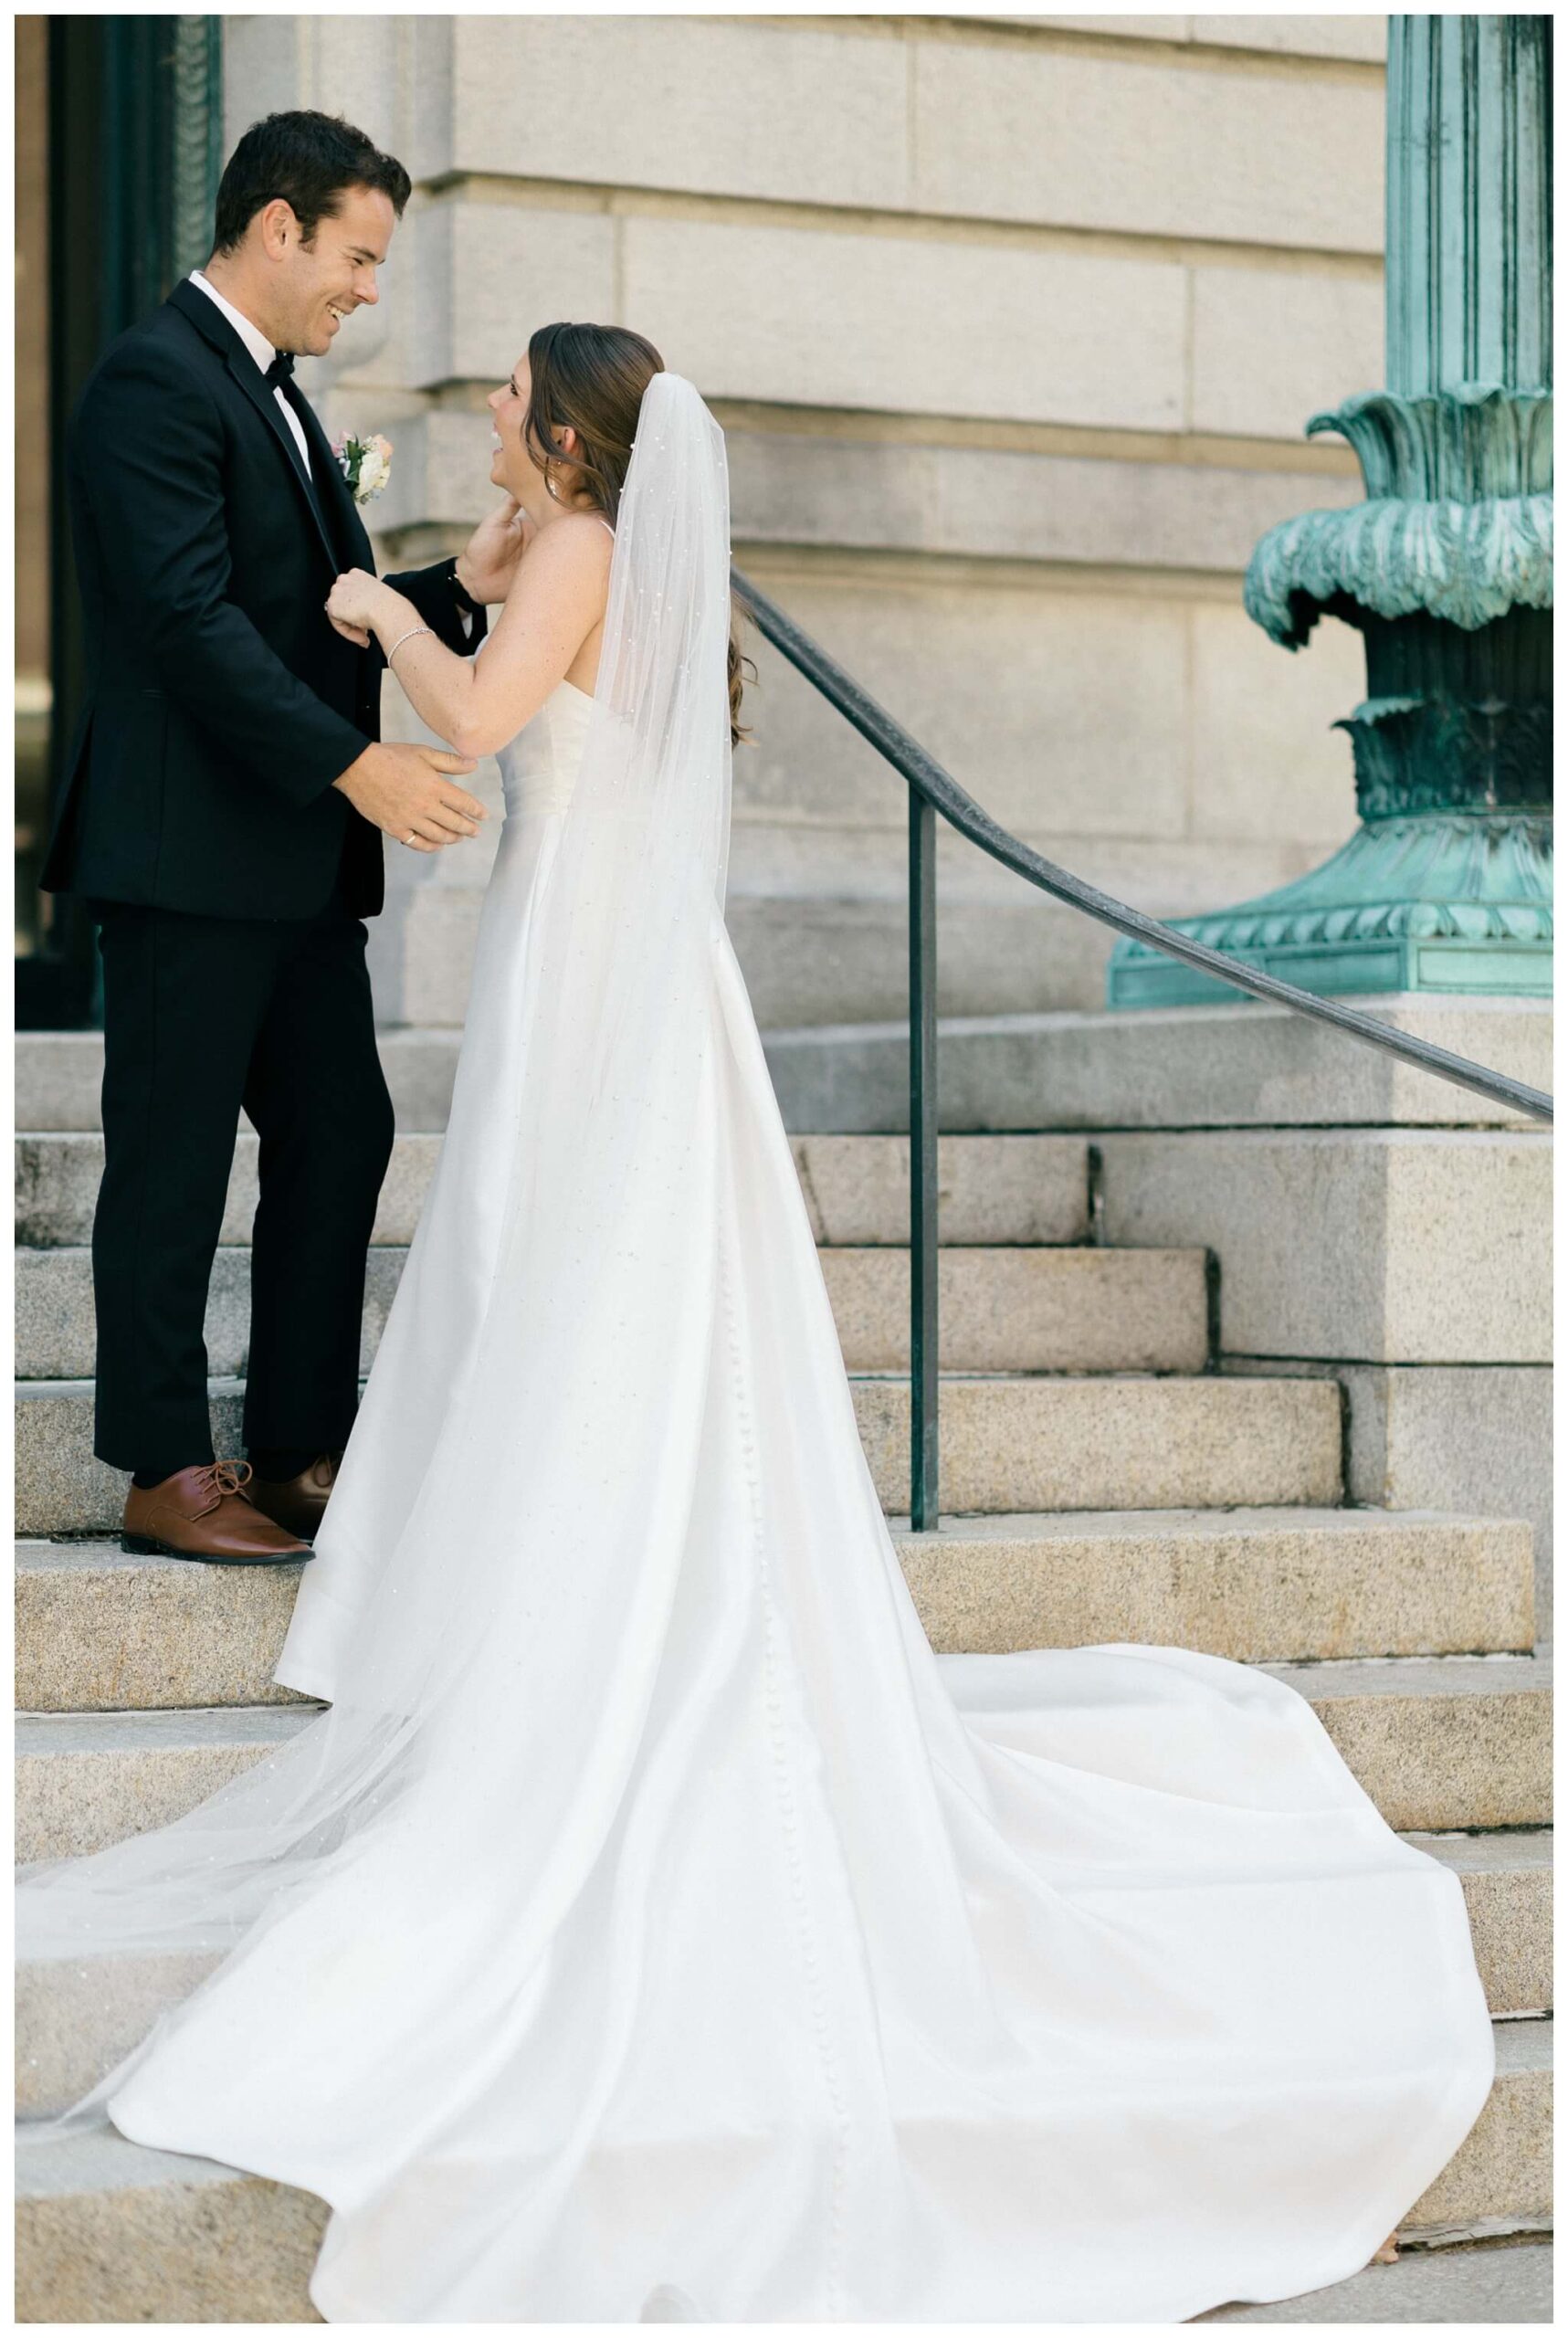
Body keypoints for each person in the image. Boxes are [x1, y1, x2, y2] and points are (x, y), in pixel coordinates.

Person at [19, 326, 1497, 2323]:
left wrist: (378, 603)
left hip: (592, 969)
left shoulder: (581, 555)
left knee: (566, 1281)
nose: (479, 424)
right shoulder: (584, 538)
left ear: (561, 432)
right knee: (582, 1291)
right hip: (614, 955)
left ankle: (564, 1606)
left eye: (504, 411)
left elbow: (477, 715)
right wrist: (456, 560)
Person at [39, 110, 522, 1562]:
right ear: (277, 228)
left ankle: (299, 1450)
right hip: (187, 852)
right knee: (175, 1154)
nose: (367, 288)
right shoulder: (153, 381)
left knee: (341, 1128)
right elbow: (187, 627)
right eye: (357, 256)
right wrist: (359, 767)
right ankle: (166, 1471)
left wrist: (451, 585)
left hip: (289, 861)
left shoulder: (281, 397)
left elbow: (299, 613)